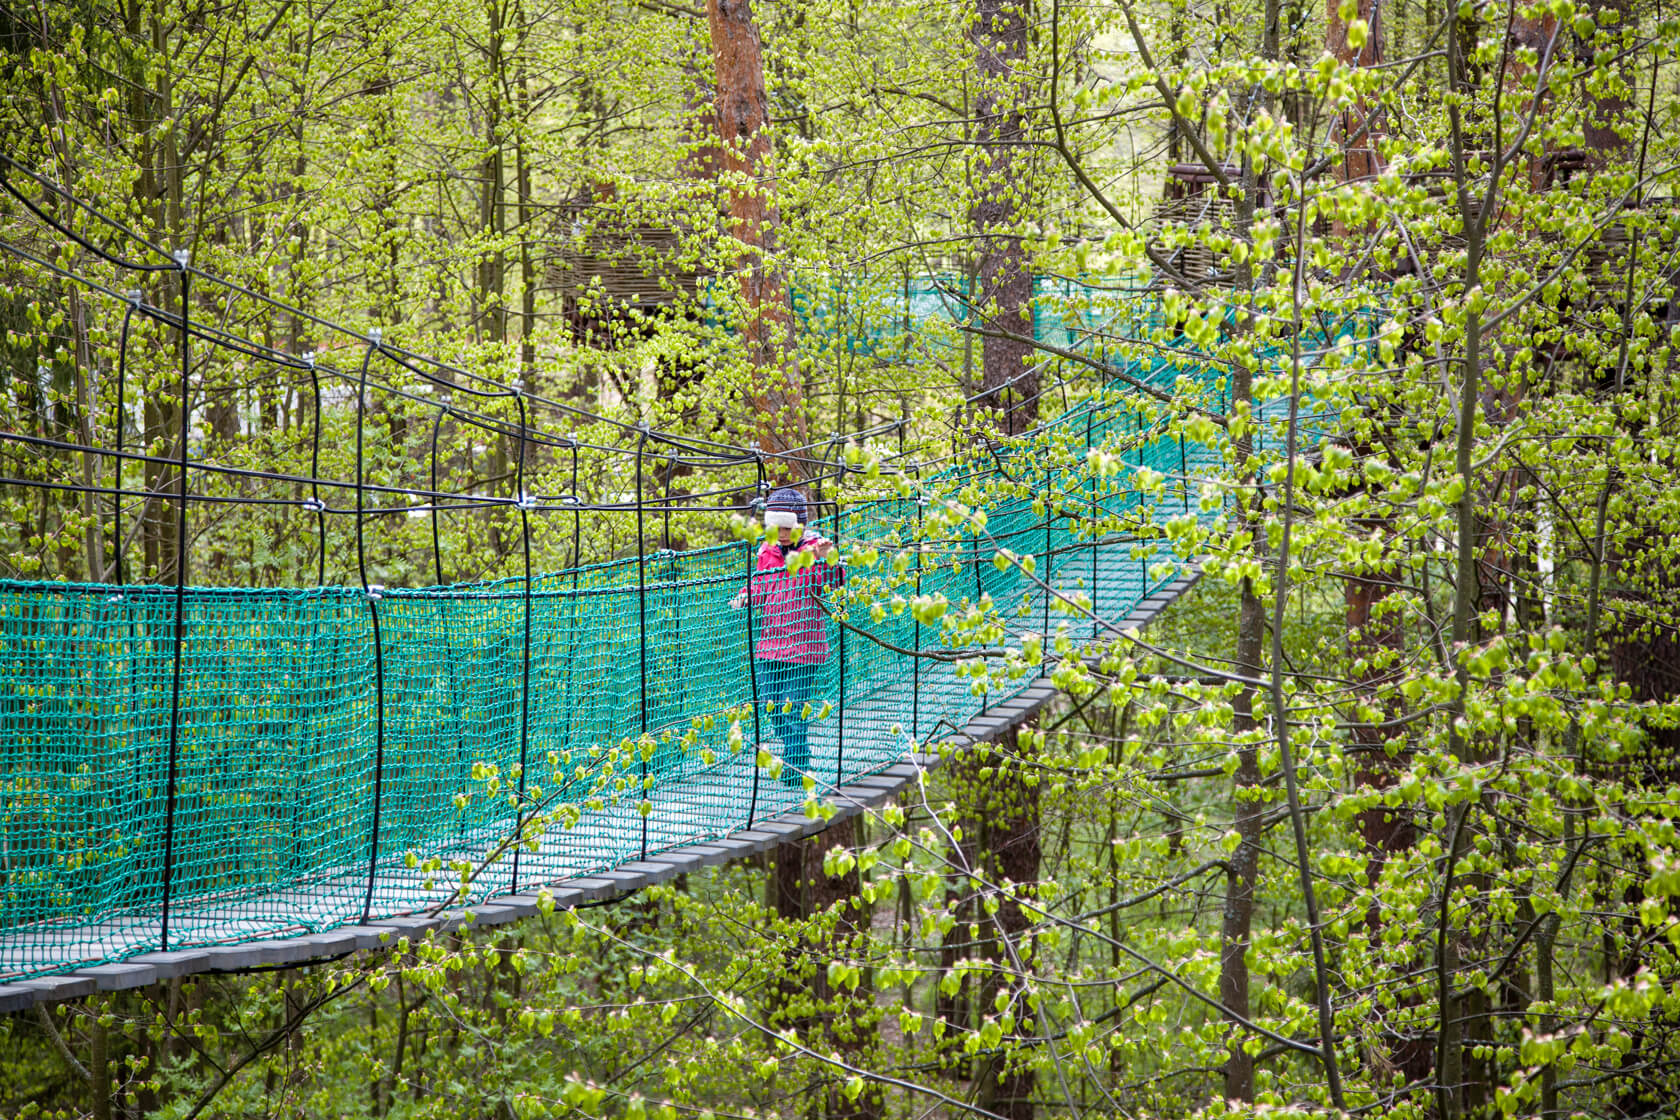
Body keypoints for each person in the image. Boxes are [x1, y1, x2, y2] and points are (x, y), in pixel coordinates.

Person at [731, 487, 844, 786]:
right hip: (770, 645)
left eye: (787, 527)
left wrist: (829, 558)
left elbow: (834, 583)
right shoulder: (766, 551)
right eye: (775, 527)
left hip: (804, 646)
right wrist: (745, 597)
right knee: (770, 705)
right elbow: (760, 585)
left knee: (793, 708)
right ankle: (796, 754)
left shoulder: (814, 549)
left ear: (799, 525)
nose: (781, 534)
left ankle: (797, 768)